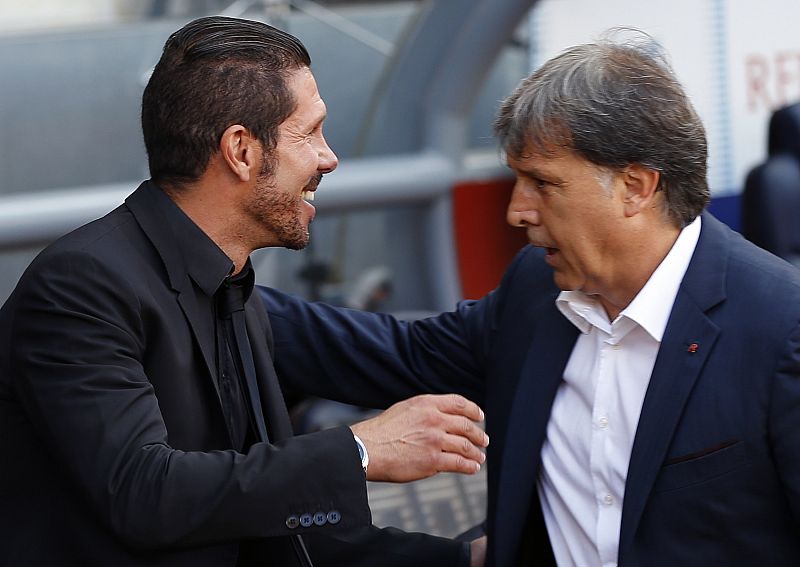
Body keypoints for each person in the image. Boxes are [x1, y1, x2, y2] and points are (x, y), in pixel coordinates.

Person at [260, 31, 800, 566]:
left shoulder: (780, 329)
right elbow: (394, 353)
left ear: (636, 187)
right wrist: (221, 283)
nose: (517, 211)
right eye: (517, 180)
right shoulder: (537, 289)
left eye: (543, 183)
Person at [0, 16, 490, 567]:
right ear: (241, 150)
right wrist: (358, 450)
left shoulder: (233, 290)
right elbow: (143, 493)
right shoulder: (82, 285)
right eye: (310, 132)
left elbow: (276, 527)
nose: (328, 158)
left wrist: (467, 559)